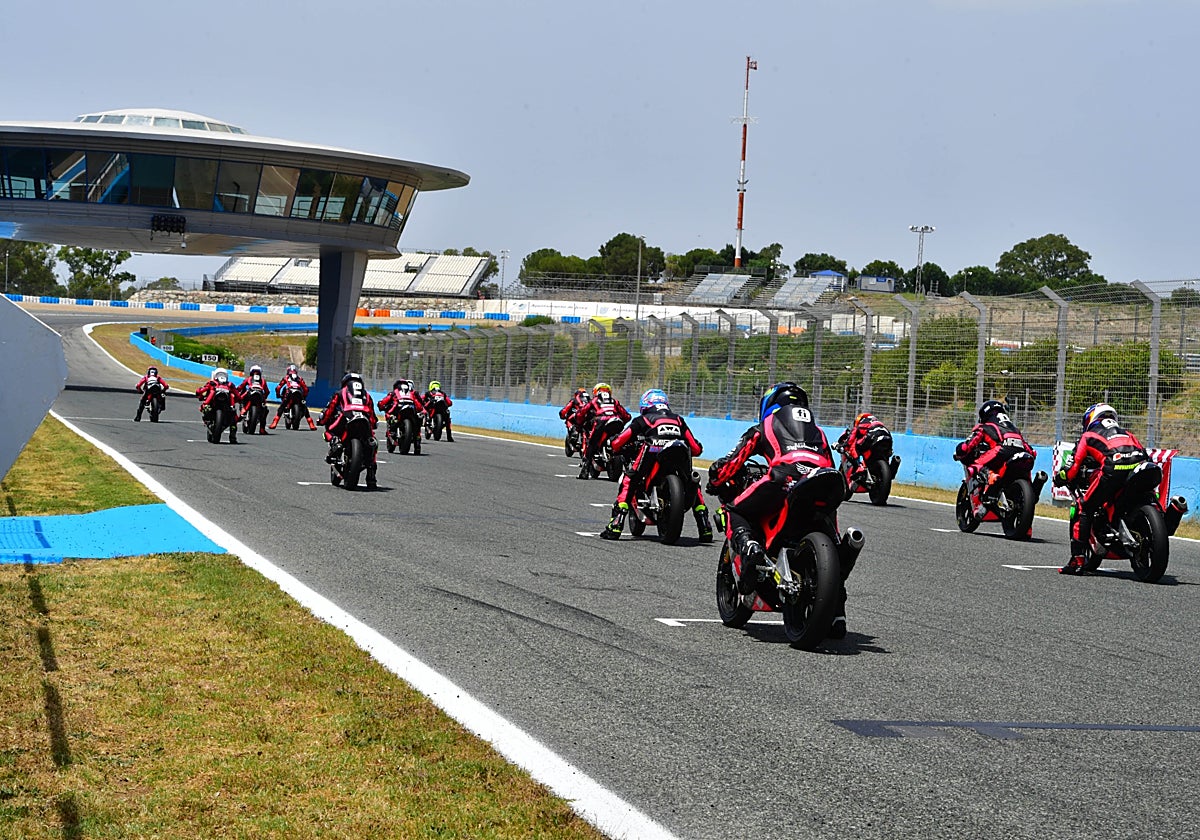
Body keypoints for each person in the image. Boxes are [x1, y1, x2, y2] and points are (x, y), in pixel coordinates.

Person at [707, 382, 847, 637]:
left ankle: (749, 547)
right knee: (830, 526)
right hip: (825, 480)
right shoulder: (819, 431)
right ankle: (837, 610)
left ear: (769, 404)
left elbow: (733, 461)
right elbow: (832, 466)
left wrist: (716, 478)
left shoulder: (765, 425)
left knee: (735, 509)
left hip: (785, 475)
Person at [600, 388, 712, 542]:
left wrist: (613, 445)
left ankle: (615, 525)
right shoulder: (678, 419)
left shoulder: (643, 419)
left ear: (645, 404)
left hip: (652, 450)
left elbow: (619, 441)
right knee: (692, 482)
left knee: (629, 480)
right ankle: (705, 527)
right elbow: (696, 449)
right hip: (679, 450)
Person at [1055, 403, 1151, 575]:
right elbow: (1146, 455)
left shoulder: (1088, 435)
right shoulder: (1128, 433)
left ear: (1090, 419)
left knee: (1084, 507)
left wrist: (1061, 477)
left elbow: (1073, 467)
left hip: (1113, 469)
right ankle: (1173, 511)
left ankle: (1076, 561)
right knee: (1149, 496)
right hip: (1143, 466)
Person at [954, 400, 1036, 503]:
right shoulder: (1014, 429)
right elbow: (1031, 451)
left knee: (976, 464)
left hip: (1001, 451)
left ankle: (991, 477)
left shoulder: (984, 427)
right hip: (1021, 453)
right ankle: (1034, 488)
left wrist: (960, 450)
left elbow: (968, 445)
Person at [318, 372, 379, 488]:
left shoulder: (340, 392)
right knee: (372, 442)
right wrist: (374, 423)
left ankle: (336, 443)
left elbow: (330, 408)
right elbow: (372, 415)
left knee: (329, 430)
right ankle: (371, 475)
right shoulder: (367, 395)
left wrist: (322, 420)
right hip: (364, 418)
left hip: (347, 415)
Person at [572, 382, 631, 479]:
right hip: (616, 421)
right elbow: (627, 416)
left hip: (601, 422)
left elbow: (581, 413)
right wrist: (622, 423)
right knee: (623, 444)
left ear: (595, 392)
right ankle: (628, 466)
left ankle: (584, 472)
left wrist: (579, 423)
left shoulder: (594, 400)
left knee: (591, 444)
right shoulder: (614, 401)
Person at [835, 412, 891, 481]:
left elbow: (851, 438)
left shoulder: (860, 424)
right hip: (887, 438)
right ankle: (891, 468)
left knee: (854, 446)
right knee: (885, 454)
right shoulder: (879, 423)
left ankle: (859, 468)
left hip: (871, 436)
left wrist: (845, 444)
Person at [195, 367, 238, 443]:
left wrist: (200, 395)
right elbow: (238, 396)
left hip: (225, 407)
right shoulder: (228, 384)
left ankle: (232, 436)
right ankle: (232, 437)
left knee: (234, 417)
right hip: (214, 406)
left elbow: (199, 391)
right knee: (234, 419)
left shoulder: (213, 383)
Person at [270, 364, 317, 430]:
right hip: (299, 393)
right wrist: (304, 396)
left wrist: (278, 394)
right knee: (304, 407)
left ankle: (275, 422)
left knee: (282, 406)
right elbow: (306, 389)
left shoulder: (286, 378)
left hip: (289, 392)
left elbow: (278, 387)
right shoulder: (299, 378)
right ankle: (311, 424)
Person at [236, 364, 270, 434]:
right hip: (257, 396)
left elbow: (241, 387)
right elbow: (267, 391)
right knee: (264, 410)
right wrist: (264, 398)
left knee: (265, 410)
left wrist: (237, 391)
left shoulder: (249, 379)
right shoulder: (262, 380)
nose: (256, 373)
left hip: (253, 395)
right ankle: (262, 429)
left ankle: (261, 428)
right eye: (255, 372)